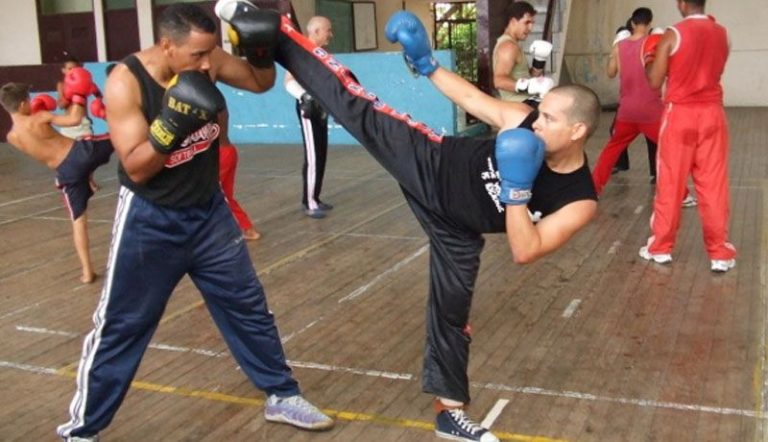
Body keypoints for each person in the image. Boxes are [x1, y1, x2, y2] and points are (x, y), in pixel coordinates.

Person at [220, 5, 598, 440]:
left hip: (458, 230)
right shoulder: (524, 121)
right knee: (358, 105)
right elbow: (474, 100)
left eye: (549, 119)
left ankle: (448, 414)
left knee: (452, 316)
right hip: (430, 163)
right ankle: (280, 36)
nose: (536, 122)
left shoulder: (579, 200)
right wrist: (428, 64)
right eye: (540, 113)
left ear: (577, 132)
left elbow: (524, 250)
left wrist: (517, 191)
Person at [55, 4, 333, 441]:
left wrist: (261, 51)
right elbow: (137, 167)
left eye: (212, 54)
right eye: (198, 56)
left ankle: (282, 394)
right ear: (167, 45)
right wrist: (171, 123)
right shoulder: (125, 82)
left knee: (248, 307)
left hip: (209, 213)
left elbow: (260, 83)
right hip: (151, 220)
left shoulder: (208, 58)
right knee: (123, 324)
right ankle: (82, 430)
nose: (208, 65)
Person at [639, 0, 736, 273]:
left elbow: (654, 81)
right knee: (714, 185)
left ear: (681, 3)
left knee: (670, 182)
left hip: (680, 114)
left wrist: (649, 58)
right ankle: (720, 254)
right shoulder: (723, 33)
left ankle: (660, 248)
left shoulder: (673, 33)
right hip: (713, 114)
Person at [0, 81, 113, 284]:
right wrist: (79, 92)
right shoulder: (39, 117)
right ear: (23, 104)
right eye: (29, 99)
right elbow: (75, 119)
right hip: (81, 154)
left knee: (78, 220)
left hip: (66, 172)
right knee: (120, 135)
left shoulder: (12, 137)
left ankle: (87, 272)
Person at [591, 8, 662, 195]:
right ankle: (682, 194)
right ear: (649, 23)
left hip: (627, 110)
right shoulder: (653, 43)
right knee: (670, 149)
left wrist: (613, 53)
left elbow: (611, 73)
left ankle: (592, 188)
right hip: (651, 110)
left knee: (611, 149)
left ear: (632, 23)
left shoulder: (619, 46)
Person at [284, 16, 334, 218]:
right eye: (327, 30)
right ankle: (309, 202)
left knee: (321, 153)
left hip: (320, 109)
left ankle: (316, 197)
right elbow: (288, 82)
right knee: (313, 156)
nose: (330, 34)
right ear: (316, 31)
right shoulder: (301, 51)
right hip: (308, 110)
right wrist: (305, 98)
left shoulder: (320, 53)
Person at [492, 1, 554, 108]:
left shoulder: (514, 45)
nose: (530, 28)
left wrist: (539, 62)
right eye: (527, 22)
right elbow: (499, 81)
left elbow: (528, 77)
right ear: (513, 21)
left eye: (532, 23)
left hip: (526, 99)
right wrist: (528, 86)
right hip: (519, 103)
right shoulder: (508, 47)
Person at [218, 107, 261, 240]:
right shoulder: (214, 100)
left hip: (220, 155)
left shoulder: (204, 102)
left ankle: (246, 229)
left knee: (218, 196)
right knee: (223, 195)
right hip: (227, 152)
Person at [55, 56, 96, 139]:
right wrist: (70, 95)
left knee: (88, 150)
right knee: (67, 150)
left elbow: (99, 96)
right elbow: (61, 106)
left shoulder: (86, 82)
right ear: (63, 70)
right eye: (70, 69)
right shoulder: (61, 85)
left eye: (75, 68)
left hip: (83, 124)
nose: (73, 71)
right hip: (68, 124)